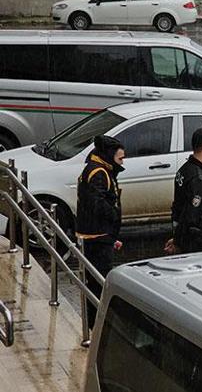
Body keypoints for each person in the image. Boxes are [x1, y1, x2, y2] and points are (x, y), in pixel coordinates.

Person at [76, 135, 125, 329]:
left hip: (101, 236)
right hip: (96, 239)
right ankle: (96, 325)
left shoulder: (100, 169)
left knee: (96, 282)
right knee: (98, 283)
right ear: (109, 155)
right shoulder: (98, 172)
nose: (122, 163)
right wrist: (112, 218)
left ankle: (95, 322)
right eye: (120, 159)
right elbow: (97, 204)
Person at [166, 128, 202, 254]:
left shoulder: (184, 169)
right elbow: (191, 214)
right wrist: (179, 242)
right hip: (198, 241)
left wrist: (177, 238)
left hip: (190, 237)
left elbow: (179, 207)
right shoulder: (199, 178)